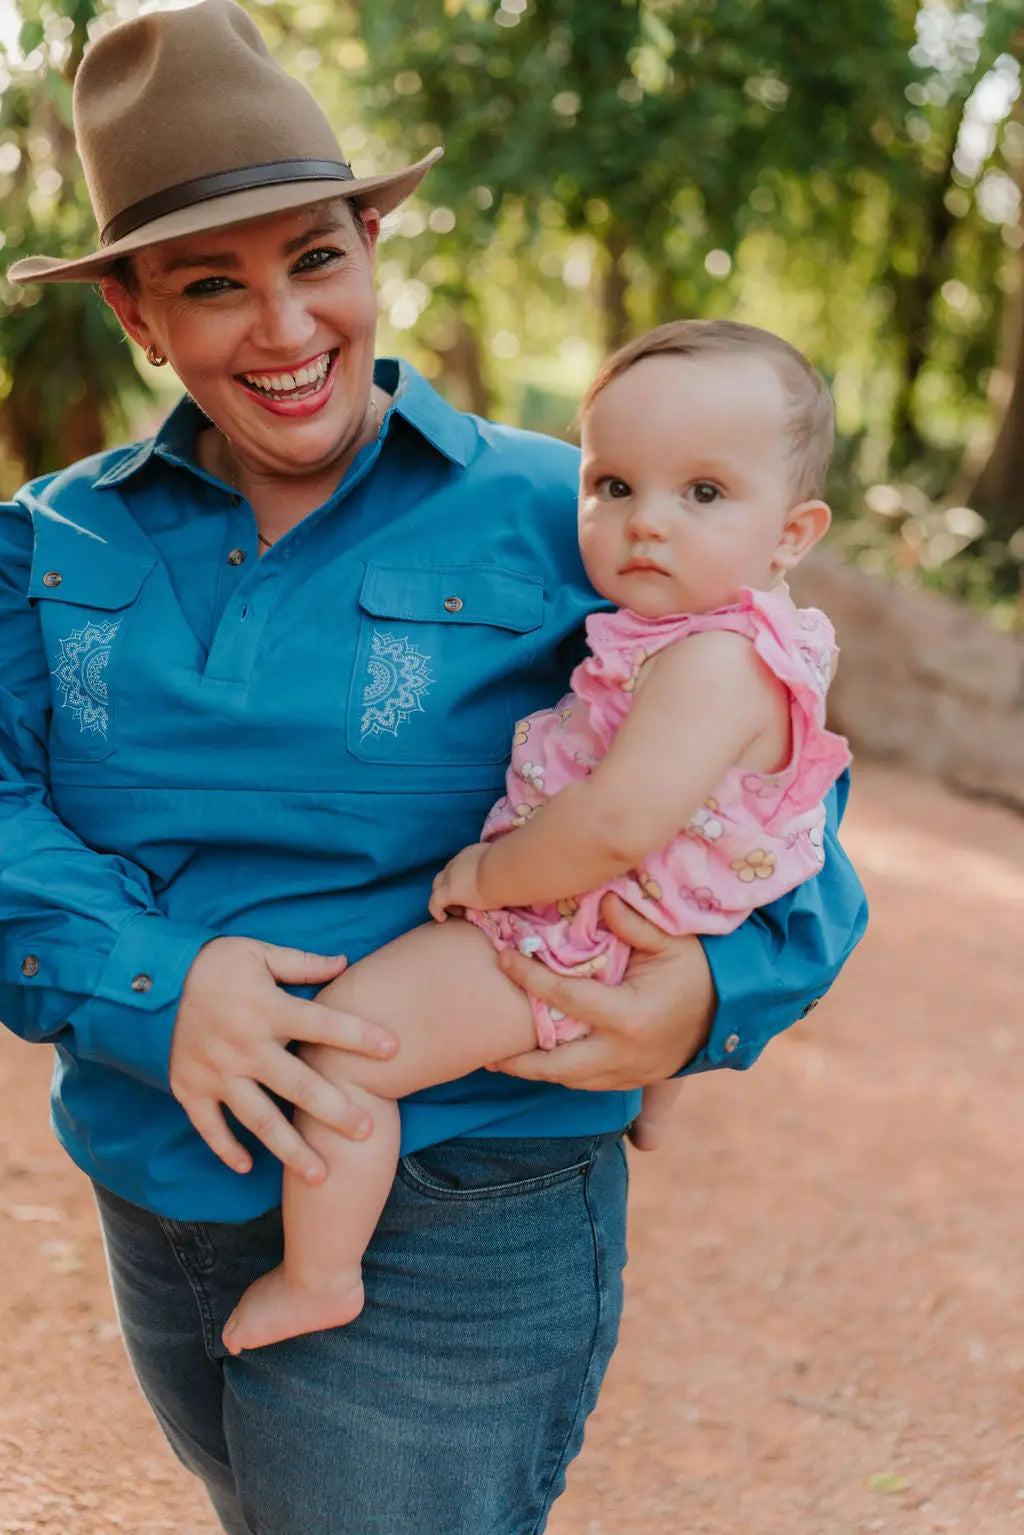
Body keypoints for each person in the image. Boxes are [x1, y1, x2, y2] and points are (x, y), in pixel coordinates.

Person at [0, 3, 867, 1532]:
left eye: (317, 260)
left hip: (464, 1195)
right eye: (214, 286)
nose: (284, 330)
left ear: (371, 256)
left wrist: (707, 997)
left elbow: (782, 786)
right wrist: (156, 977)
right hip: (157, 1170)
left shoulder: (576, 512)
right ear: (139, 317)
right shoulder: (45, 542)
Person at [222, 318, 853, 1354]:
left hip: (568, 920)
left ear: (791, 533)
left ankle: (317, 1272)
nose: (645, 523)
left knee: (343, 1045)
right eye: (613, 486)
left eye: (701, 494)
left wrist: (485, 872)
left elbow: (610, 827)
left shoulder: (709, 664)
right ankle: (652, 1093)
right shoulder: (749, 631)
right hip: (654, 910)